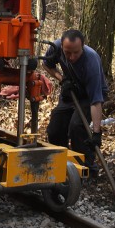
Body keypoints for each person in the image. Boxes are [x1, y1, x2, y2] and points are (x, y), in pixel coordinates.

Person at [42, 29, 108, 175]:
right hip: (70, 91)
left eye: (76, 53)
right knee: (55, 128)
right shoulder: (57, 47)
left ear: (82, 47)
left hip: (88, 96)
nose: (71, 57)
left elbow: (96, 100)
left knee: (77, 126)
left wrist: (97, 133)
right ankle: (60, 165)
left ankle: (86, 168)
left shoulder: (91, 62)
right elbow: (46, 64)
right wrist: (62, 79)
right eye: (67, 53)